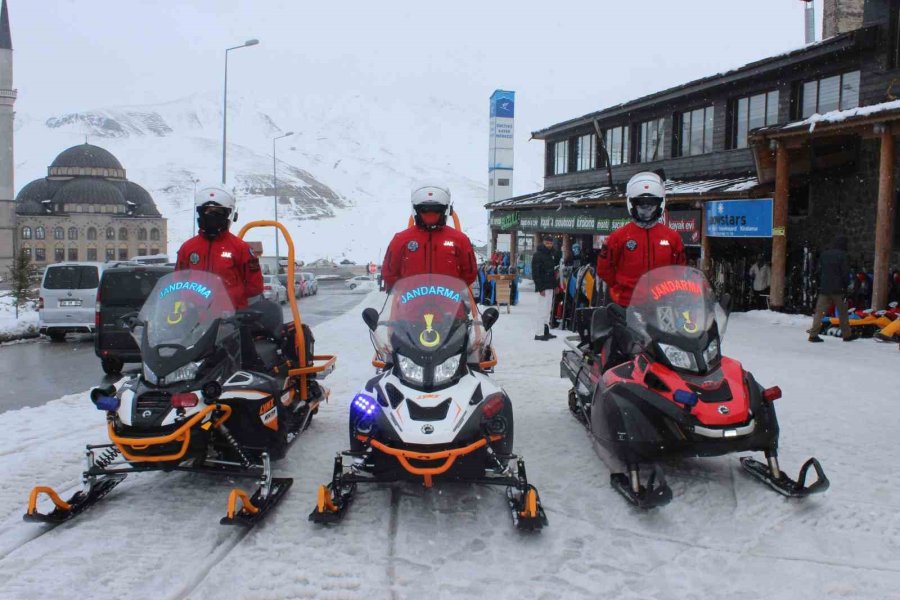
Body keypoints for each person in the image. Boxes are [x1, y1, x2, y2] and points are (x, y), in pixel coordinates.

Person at [595, 171, 686, 364]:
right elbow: (604, 268)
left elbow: (680, 270)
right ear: (632, 205)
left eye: (650, 206)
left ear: (659, 205)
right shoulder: (619, 237)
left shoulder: (671, 237)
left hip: (663, 306)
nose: (646, 211)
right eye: (641, 206)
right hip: (629, 305)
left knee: (668, 352)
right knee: (626, 353)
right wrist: (621, 287)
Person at [176, 185, 263, 309]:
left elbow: (255, 286)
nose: (212, 216)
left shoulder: (240, 248)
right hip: (195, 314)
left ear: (227, 214)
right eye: (207, 211)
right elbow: (178, 282)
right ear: (200, 213)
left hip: (230, 315)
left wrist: (233, 301)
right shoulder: (188, 248)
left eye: (217, 212)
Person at [381, 183, 477, 292]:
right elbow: (389, 272)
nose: (430, 214)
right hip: (411, 301)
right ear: (417, 211)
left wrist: (452, 290)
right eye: (424, 210)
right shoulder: (401, 240)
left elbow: (470, 273)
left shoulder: (459, 239)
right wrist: (406, 290)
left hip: (448, 300)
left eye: (436, 210)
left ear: (444, 211)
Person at [808, 236, 853, 342]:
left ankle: (813, 334)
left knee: (819, 312)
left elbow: (818, 271)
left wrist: (820, 284)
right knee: (843, 312)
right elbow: (845, 273)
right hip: (839, 289)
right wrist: (847, 286)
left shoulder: (824, 254)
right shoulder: (843, 255)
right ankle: (846, 334)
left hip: (824, 288)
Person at [531, 235, 558, 341]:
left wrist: (555, 285)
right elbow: (535, 273)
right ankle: (539, 333)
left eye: (550, 243)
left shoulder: (551, 254)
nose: (549, 245)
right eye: (547, 243)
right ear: (543, 243)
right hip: (543, 287)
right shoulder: (538, 255)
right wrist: (540, 288)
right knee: (542, 310)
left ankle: (546, 331)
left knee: (547, 310)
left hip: (550, 285)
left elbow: (552, 272)